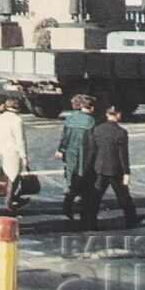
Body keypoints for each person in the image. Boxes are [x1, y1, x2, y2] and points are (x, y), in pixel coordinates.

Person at [84, 106, 139, 229]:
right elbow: (123, 155)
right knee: (123, 196)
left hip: (100, 168)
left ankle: (91, 222)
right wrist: (126, 172)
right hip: (116, 170)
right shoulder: (121, 132)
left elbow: (92, 151)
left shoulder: (97, 129)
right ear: (117, 115)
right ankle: (131, 220)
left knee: (96, 197)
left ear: (107, 114)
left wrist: (89, 168)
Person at [55, 94, 97, 222]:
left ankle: (68, 205)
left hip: (71, 153)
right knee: (86, 182)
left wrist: (60, 149)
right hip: (85, 154)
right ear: (91, 107)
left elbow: (65, 137)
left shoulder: (70, 119)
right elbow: (93, 143)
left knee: (71, 179)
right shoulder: (91, 122)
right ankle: (84, 210)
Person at [0, 96, 31, 211]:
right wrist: (24, 156)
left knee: (7, 176)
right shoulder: (17, 120)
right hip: (12, 152)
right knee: (13, 178)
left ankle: (12, 199)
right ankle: (9, 202)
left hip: (0, 149)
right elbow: (20, 140)